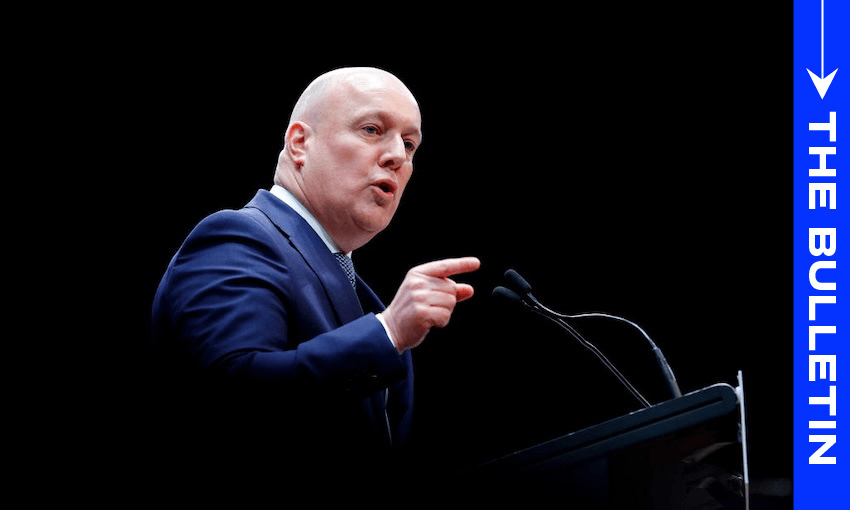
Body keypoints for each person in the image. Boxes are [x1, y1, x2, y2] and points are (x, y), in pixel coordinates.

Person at [149, 67, 480, 488]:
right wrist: (390, 331)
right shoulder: (236, 237)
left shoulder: (355, 285)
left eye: (410, 143)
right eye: (373, 129)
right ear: (300, 143)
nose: (398, 154)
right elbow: (239, 394)